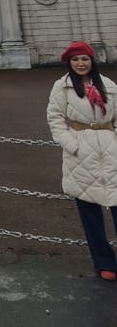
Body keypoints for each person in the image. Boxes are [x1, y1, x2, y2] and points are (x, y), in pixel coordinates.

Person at [47, 41, 117, 281]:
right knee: (90, 213)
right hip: (81, 151)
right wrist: (71, 144)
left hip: (110, 149)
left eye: (84, 59)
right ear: (70, 63)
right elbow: (54, 117)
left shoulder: (108, 85)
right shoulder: (62, 87)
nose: (80, 64)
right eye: (75, 60)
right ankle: (105, 262)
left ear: (92, 61)